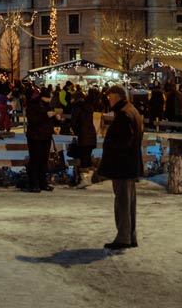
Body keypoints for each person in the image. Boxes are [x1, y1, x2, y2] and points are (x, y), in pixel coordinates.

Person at [99, 85, 142, 250]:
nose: (108, 100)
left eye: (110, 97)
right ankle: (130, 236)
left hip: (122, 164)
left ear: (117, 96)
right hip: (129, 164)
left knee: (123, 202)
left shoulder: (124, 115)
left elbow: (123, 141)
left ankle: (124, 237)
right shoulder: (131, 111)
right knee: (128, 201)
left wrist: (110, 145)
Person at [24, 87, 56, 191]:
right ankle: (34, 184)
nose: (50, 99)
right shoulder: (33, 105)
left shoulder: (47, 105)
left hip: (45, 136)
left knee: (44, 160)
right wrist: (46, 115)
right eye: (49, 97)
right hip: (35, 136)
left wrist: (56, 118)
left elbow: (47, 121)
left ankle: (42, 183)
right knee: (35, 159)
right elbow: (33, 120)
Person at [68, 89, 97, 188]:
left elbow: (74, 122)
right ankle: (88, 179)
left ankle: (85, 180)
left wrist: (76, 131)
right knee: (87, 157)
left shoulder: (77, 107)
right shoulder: (89, 106)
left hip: (83, 135)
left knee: (83, 158)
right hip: (91, 134)